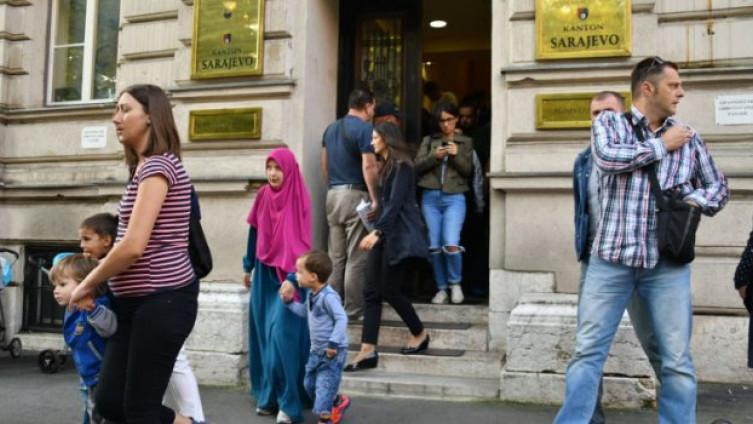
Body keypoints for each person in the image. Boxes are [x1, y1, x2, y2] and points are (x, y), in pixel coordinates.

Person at [555, 57, 729, 423]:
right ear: (647, 89)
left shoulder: (689, 137)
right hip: (611, 261)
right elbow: (607, 158)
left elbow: (718, 187)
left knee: (676, 360)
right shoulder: (610, 124)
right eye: (673, 85)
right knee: (587, 352)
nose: (680, 92)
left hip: (666, 266)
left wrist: (690, 203)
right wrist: (661, 145)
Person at [69, 84, 200, 424]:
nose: (116, 118)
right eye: (116, 109)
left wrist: (87, 283)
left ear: (151, 117)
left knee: (141, 409)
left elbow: (132, 246)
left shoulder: (159, 168)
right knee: (111, 404)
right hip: (132, 305)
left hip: (163, 301)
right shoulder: (142, 169)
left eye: (125, 109)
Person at [572, 91, 662, 423]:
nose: (600, 118)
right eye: (595, 113)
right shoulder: (583, 159)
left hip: (639, 260)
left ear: (624, 116)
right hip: (596, 262)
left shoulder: (644, 152)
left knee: (657, 343)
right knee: (587, 349)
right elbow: (584, 213)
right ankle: (590, 419)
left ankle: (678, 415)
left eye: (608, 111)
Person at [79, 212, 207, 423]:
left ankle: (197, 419)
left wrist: (86, 288)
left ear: (107, 239)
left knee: (162, 382)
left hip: (160, 307)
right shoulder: (104, 264)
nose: (82, 245)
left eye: (86, 239)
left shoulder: (161, 182)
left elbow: (134, 249)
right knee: (125, 402)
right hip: (137, 317)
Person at [345, 122, 430, 372]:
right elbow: (387, 205)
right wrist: (374, 214)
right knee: (371, 291)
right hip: (384, 234)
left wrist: (377, 233)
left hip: (395, 236)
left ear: (387, 139)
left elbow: (396, 206)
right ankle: (367, 349)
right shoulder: (387, 167)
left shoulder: (403, 167)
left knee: (389, 290)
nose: (372, 142)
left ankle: (420, 332)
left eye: (375, 138)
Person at [243, 147, 311, 424]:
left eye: (278, 168)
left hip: (291, 279)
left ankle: (289, 404)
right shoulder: (262, 196)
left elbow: (304, 245)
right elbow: (254, 231)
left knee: (282, 341)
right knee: (263, 339)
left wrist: (295, 280)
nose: (272, 173)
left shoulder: (298, 197)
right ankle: (269, 397)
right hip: (264, 277)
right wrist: (248, 266)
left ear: (289, 170)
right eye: (269, 167)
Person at [320, 88, 379, 320]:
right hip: (355, 196)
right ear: (367, 106)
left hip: (333, 195)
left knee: (336, 257)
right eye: (373, 107)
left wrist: (333, 187)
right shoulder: (365, 129)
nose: (373, 112)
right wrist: (374, 198)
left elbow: (324, 164)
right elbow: (369, 166)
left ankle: (333, 310)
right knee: (357, 256)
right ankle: (353, 310)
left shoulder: (330, 128)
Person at [279, 250, 351, 424]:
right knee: (309, 385)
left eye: (299, 272)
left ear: (313, 276)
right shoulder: (312, 295)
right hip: (316, 351)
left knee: (324, 388)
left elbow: (342, 318)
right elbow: (305, 312)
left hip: (332, 352)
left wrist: (333, 344)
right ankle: (336, 402)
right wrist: (289, 302)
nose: (295, 276)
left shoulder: (328, 297)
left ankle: (325, 419)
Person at [415, 101, 474, 304]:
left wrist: (456, 156)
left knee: (450, 243)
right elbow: (417, 166)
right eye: (441, 121)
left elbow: (468, 171)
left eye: (449, 120)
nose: (445, 125)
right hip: (430, 197)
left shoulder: (465, 142)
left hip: (455, 197)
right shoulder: (429, 141)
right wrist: (434, 156)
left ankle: (455, 284)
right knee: (434, 246)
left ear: (456, 119)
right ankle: (441, 288)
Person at [50, 254, 116, 424]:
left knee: (100, 414)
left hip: (101, 374)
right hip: (86, 374)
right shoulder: (72, 307)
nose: (56, 290)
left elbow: (110, 328)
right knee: (89, 409)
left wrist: (92, 309)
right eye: (55, 285)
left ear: (86, 283)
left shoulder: (96, 305)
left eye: (62, 284)